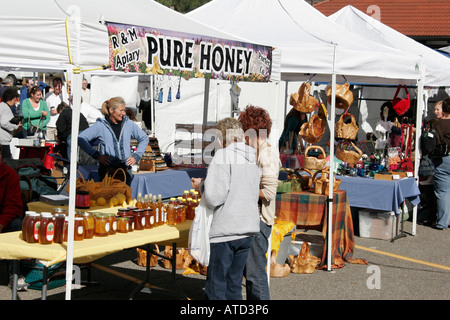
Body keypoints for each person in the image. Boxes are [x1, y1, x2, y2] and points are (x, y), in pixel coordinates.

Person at [190, 117, 260, 300]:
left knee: (216, 289)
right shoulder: (251, 157)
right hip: (247, 229)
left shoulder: (223, 155)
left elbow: (214, 197)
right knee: (234, 285)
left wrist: (203, 186)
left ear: (221, 140)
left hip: (226, 231)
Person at [238, 105, 281, 300]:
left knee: (255, 276)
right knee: (251, 274)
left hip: (259, 222)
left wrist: (243, 190)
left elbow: (270, 192)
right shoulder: (258, 152)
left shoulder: (267, 155)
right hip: (252, 219)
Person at [78, 97, 149, 186]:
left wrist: (136, 155)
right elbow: (81, 138)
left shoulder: (128, 124)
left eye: (124, 110)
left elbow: (144, 138)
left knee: (124, 198)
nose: (123, 113)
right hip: (107, 172)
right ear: (111, 110)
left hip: (125, 171)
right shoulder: (100, 125)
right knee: (107, 198)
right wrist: (96, 155)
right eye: (121, 110)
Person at [0, 146, 26, 289]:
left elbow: (14, 206)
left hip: (5, 220)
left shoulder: (10, 175)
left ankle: (15, 274)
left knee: (17, 226)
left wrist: (1, 223)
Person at [431, 98, 450, 230]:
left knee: (443, 192)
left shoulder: (439, 124)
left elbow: (433, 143)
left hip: (444, 160)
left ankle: (443, 222)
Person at [0, 89, 23, 158]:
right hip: (3, 141)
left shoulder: (1, 105)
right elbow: (4, 123)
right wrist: (16, 126)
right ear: (10, 99)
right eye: (15, 99)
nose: (15, 102)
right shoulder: (5, 108)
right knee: (6, 163)